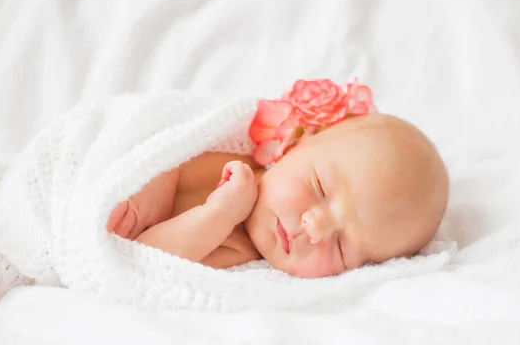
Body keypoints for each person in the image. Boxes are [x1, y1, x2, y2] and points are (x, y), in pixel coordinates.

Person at [106, 79, 449, 278]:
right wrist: (157, 175)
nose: (315, 228)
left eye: (342, 247)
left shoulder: (237, 247)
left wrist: (219, 215)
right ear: (298, 144)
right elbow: (160, 130)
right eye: (319, 188)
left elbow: (142, 259)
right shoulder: (228, 146)